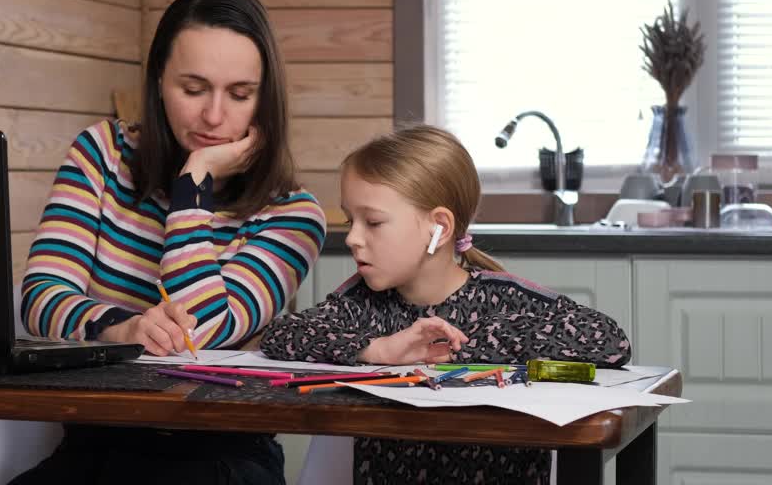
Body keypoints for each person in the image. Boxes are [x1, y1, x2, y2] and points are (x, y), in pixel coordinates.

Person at [10, 0, 326, 485]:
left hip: (221, 455)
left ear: (265, 101)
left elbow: (198, 331)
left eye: (240, 94)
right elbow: (41, 300)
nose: (214, 115)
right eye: (193, 89)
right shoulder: (101, 155)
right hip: (96, 446)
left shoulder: (293, 215)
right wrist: (122, 331)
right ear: (158, 80)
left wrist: (193, 181)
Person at [260, 125, 631, 485]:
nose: (353, 238)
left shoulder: (502, 298)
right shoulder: (360, 304)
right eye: (350, 219)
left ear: (439, 227)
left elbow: (609, 342)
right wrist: (378, 349)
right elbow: (281, 334)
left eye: (372, 222)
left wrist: (460, 349)